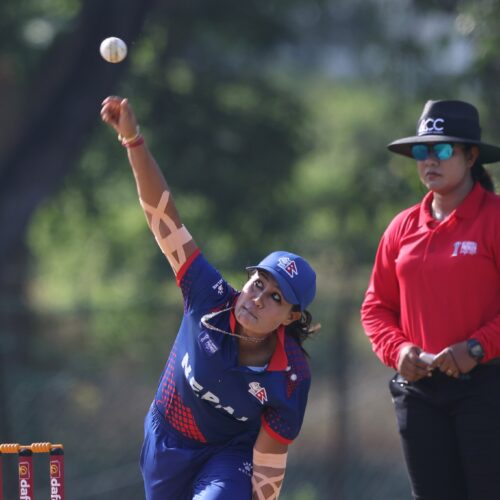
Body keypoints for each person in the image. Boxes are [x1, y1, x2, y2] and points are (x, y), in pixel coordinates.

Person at [100, 96, 318, 500]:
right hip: (166, 437)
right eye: (258, 284)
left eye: (275, 297)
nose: (258, 298)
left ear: (290, 317)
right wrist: (133, 140)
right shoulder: (208, 295)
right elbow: (163, 221)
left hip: (229, 456)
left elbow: (269, 467)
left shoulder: (290, 376)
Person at [360, 99, 500, 500]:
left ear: (471, 156)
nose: (429, 160)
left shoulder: (494, 219)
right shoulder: (401, 227)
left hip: (487, 388)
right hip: (419, 392)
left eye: (442, 149)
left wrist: (477, 347)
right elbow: (376, 307)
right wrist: (399, 350)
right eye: (422, 151)